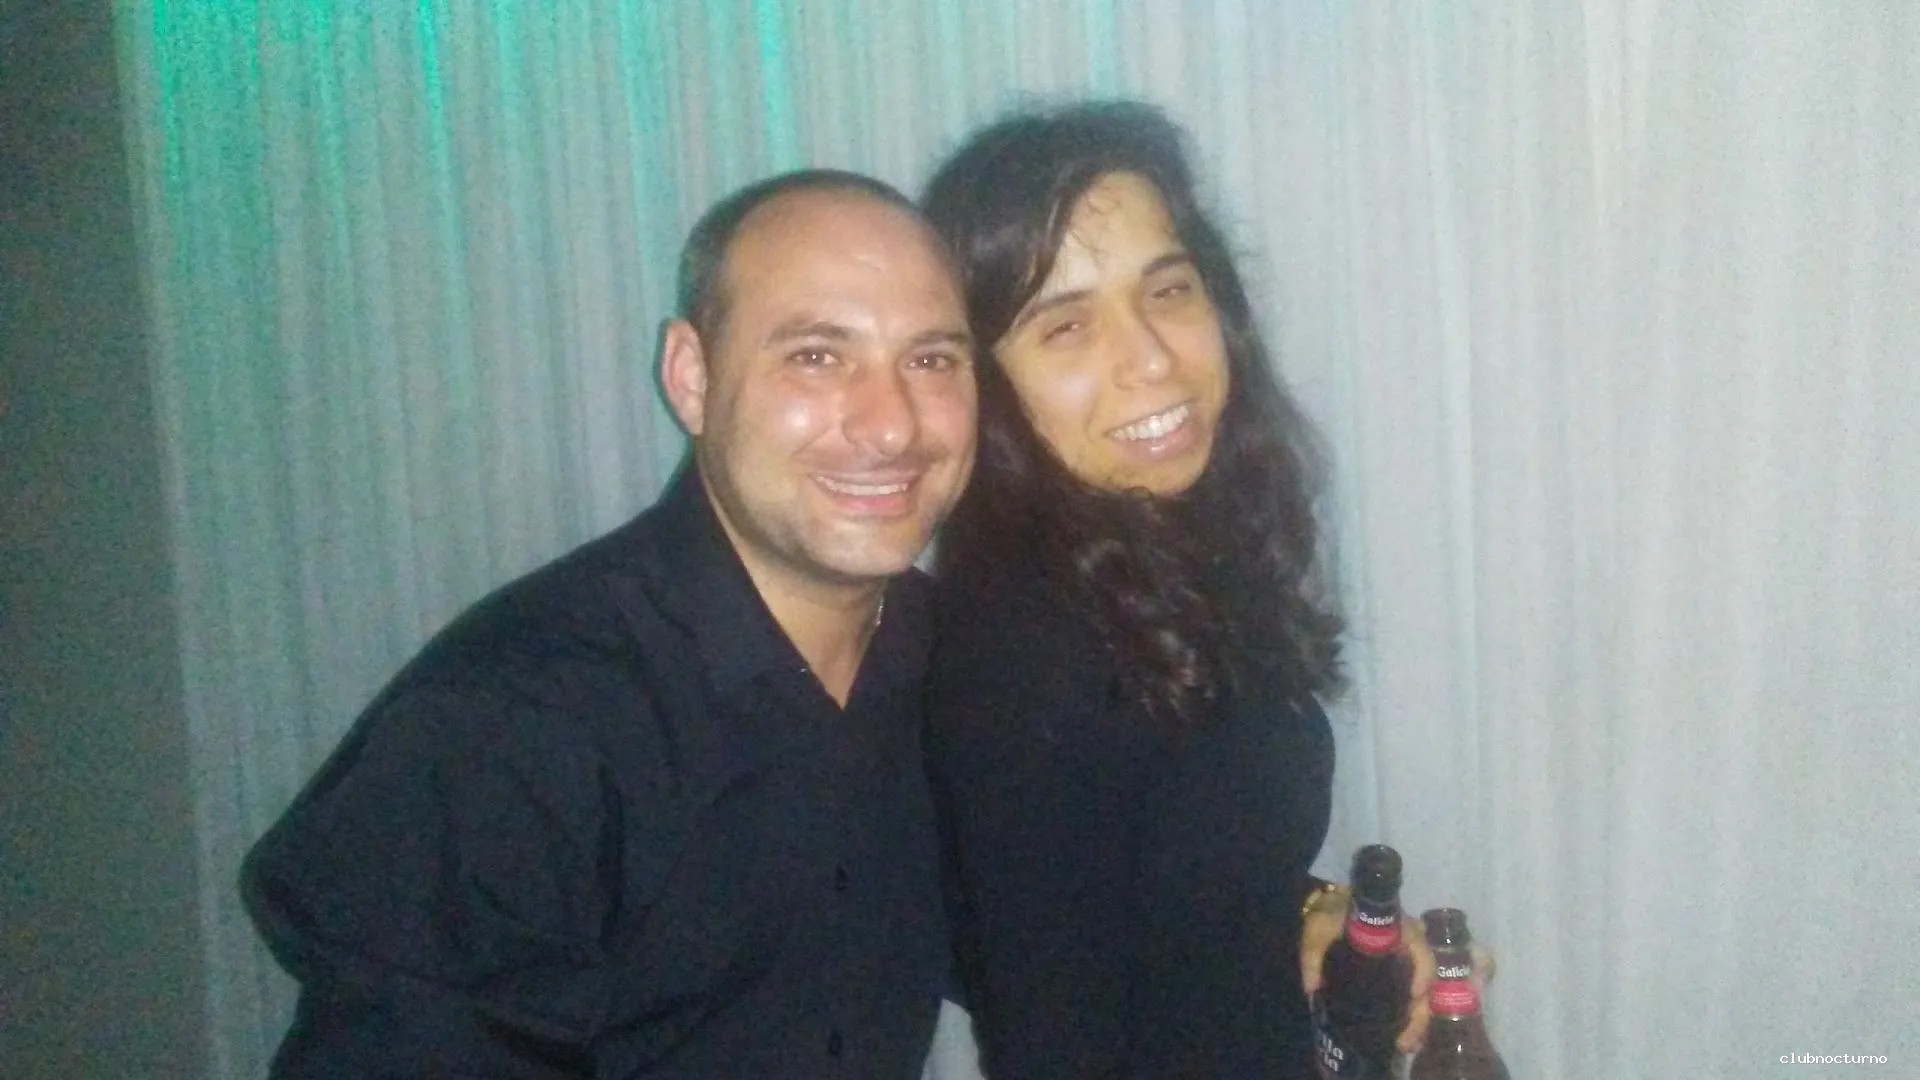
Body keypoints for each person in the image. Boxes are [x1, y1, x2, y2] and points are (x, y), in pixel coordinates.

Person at [242, 169, 979, 1077]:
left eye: (931, 361)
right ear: (691, 377)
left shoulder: (958, 666)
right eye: (817, 357)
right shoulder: (510, 725)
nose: (892, 426)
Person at [919, 101, 1433, 1077]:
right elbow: (1057, 1043)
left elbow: (1170, 891)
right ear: (984, 382)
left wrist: (1315, 911)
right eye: (1066, 326)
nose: (1151, 357)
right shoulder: (1023, 658)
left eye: (1167, 289)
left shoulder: (1171, 547)